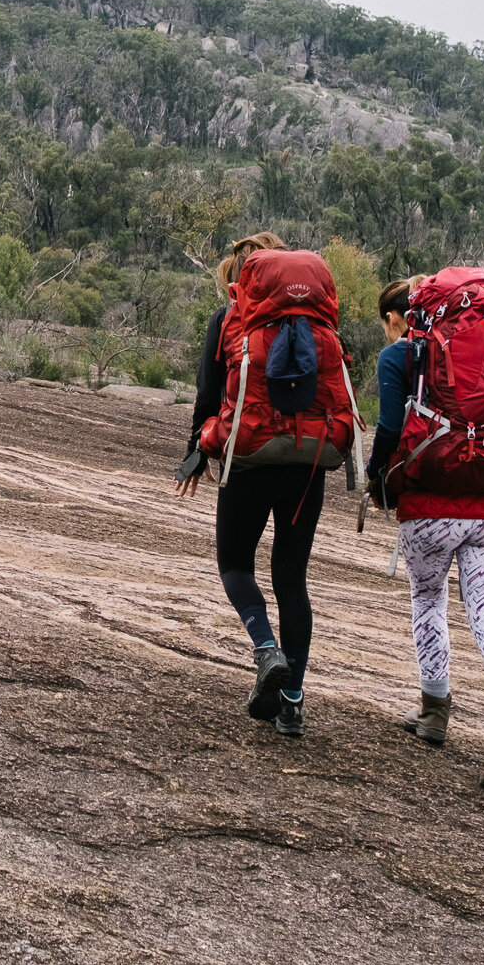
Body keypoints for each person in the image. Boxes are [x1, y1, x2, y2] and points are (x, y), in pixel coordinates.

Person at [366, 276, 484, 793]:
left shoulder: (402, 355)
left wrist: (380, 484)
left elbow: (389, 430)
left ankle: (435, 712)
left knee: (428, 599)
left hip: (430, 508)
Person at [185, 231, 329, 739]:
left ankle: (265, 649)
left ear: (240, 276)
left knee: (234, 565)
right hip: (307, 463)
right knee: (292, 581)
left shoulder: (228, 319)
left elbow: (207, 395)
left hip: (246, 461)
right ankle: (293, 704)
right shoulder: (315, 318)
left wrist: (194, 455)